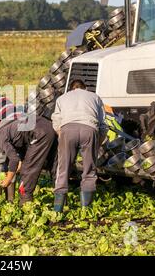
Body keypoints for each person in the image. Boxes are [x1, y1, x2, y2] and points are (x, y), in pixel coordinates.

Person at [51, 79, 106, 212]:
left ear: (71, 89)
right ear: (85, 88)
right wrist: (96, 145)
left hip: (67, 129)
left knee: (63, 168)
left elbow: (56, 121)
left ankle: (58, 209)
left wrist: (62, 136)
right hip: (89, 129)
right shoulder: (95, 97)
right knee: (89, 169)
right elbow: (103, 125)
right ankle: (86, 210)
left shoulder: (62, 98)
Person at [0, 116, 58, 205]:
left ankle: (25, 202)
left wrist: (8, 179)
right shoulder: (4, 130)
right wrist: (19, 164)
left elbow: (14, 159)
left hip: (39, 133)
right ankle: (60, 203)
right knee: (54, 166)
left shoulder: (0, 137)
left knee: (28, 170)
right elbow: (20, 147)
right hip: (49, 127)